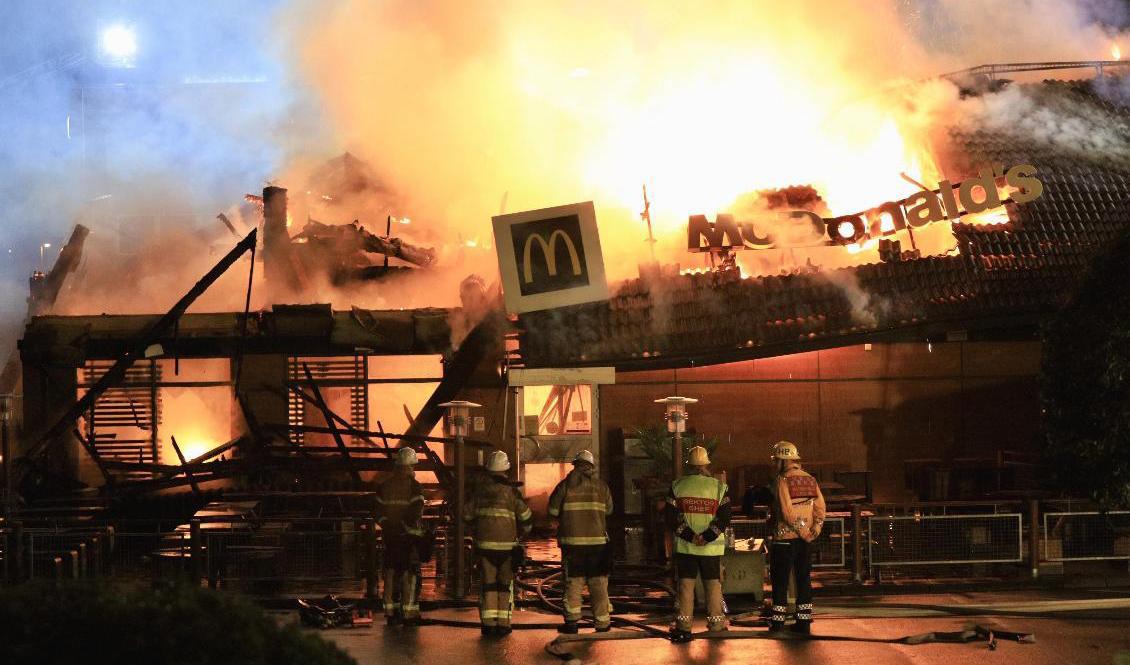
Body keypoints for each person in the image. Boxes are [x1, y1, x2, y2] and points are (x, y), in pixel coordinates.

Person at [666, 445, 731, 642]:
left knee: (686, 586)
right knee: (713, 586)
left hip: (687, 547)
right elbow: (725, 517)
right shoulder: (719, 487)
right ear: (706, 465)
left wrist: (690, 536)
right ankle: (716, 624)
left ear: (689, 465)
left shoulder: (677, 486)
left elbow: (670, 518)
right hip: (710, 549)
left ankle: (684, 626)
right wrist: (707, 536)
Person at [465, 450, 532, 636]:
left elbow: (466, 515)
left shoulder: (479, 492)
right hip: (507, 548)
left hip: (485, 547)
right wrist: (522, 534)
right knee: (504, 585)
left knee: (488, 585)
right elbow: (526, 517)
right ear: (506, 470)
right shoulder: (512, 493)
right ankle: (504, 625)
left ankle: (488, 625)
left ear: (488, 470)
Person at [547, 450, 614, 634]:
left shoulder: (565, 486)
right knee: (599, 584)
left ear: (575, 466)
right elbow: (609, 511)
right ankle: (602, 623)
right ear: (591, 467)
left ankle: (572, 624)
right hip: (598, 545)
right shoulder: (602, 487)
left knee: (574, 584)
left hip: (572, 545)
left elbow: (552, 511)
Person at [767, 440, 826, 634]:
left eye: (776, 460)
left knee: (780, 582)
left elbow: (786, 512)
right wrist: (814, 529)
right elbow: (820, 508)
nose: (775, 464)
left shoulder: (782, 480)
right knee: (803, 580)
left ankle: (777, 623)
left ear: (783, 460)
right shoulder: (810, 479)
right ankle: (803, 622)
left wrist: (801, 531)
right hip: (805, 541)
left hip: (785, 540)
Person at [376, 446, 427, 626]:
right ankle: (409, 613)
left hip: (390, 537)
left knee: (391, 573)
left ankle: (391, 611)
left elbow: (377, 510)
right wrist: (406, 526)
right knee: (410, 574)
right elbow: (416, 511)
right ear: (408, 467)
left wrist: (387, 524)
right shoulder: (414, 486)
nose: (414, 470)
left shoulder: (385, 485)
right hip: (407, 537)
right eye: (413, 466)